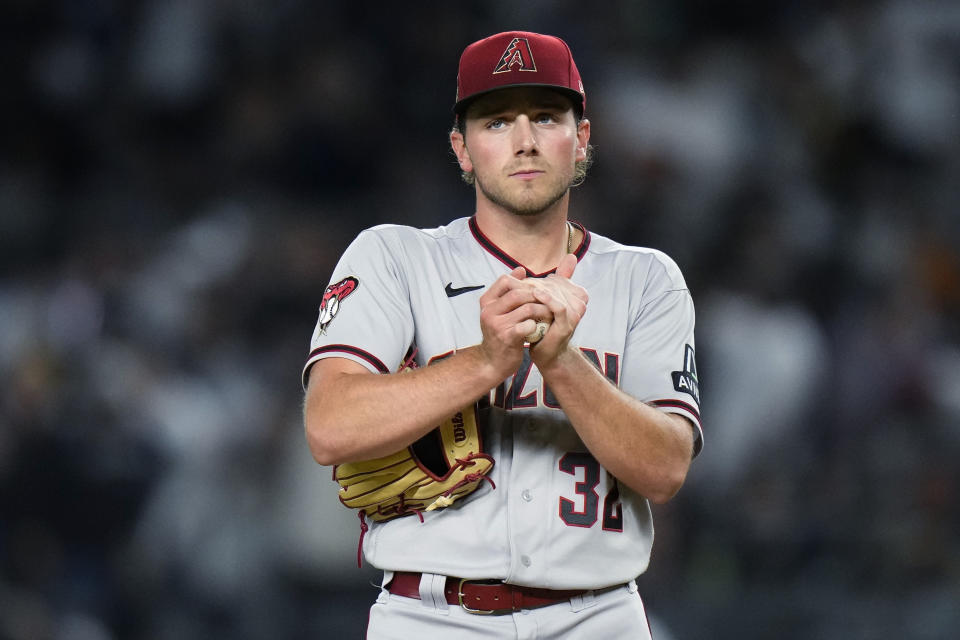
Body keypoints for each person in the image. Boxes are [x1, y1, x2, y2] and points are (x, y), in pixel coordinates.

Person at [302, 30, 703, 639]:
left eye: (546, 117)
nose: (524, 142)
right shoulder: (396, 258)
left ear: (582, 140)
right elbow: (329, 426)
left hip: (599, 615)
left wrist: (562, 361)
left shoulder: (646, 278)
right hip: (429, 614)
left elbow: (666, 468)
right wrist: (485, 362)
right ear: (462, 149)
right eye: (495, 122)